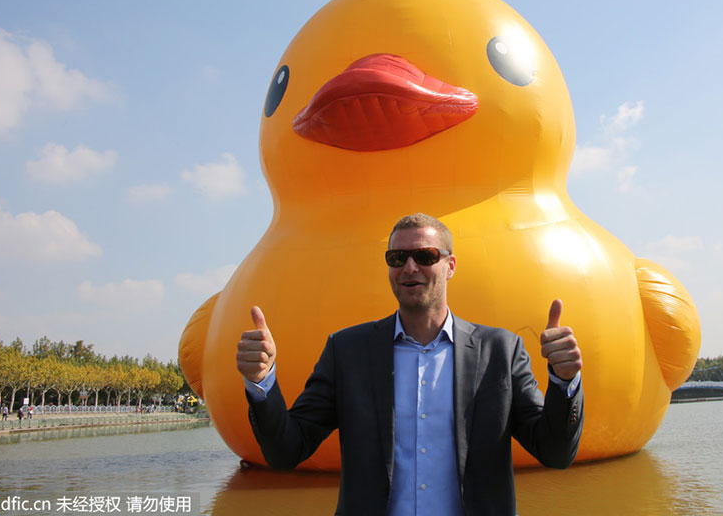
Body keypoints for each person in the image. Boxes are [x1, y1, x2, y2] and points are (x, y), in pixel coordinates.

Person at [237, 213, 584, 515]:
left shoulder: (500, 351)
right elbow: (287, 450)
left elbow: (555, 452)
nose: (410, 267)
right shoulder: (347, 352)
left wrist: (563, 381)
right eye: (397, 257)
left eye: (425, 255)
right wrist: (261, 382)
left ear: (450, 266)